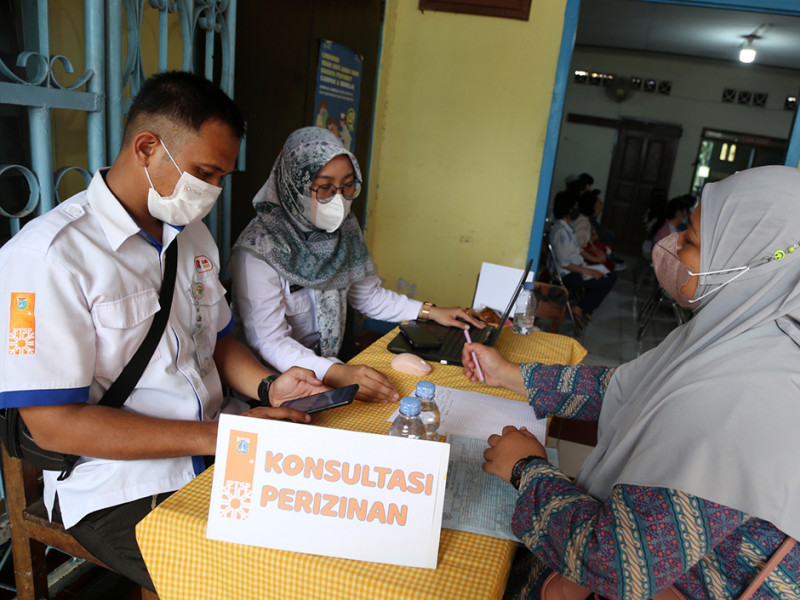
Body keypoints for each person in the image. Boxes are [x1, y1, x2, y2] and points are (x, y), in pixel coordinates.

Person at [0, 72, 328, 591]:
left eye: (221, 177)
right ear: (147, 147)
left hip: (220, 445)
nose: (213, 192)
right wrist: (226, 438)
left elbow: (216, 340)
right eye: (204, 173)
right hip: (119, 483)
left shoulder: (191, 236)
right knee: (249, 582)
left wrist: (269, 386)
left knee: (322, 536)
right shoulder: (49, 257)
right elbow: (54, 426)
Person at [464, 165, 800, 599]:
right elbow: (628, 388)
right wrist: (508, 374)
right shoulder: (740, 337)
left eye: (693, 240)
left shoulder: (746, 395)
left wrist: (527, 469)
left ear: (752, 262)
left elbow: (620, 566)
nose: (673, 244)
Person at [231, 126, 482, 404]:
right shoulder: (258, 249)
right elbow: (269, 341)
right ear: (293, 185)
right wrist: (336, 372)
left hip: (334, 366)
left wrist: (429, 311)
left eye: (348, 185)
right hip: (277, 385)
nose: (338, 199)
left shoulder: (344, 231)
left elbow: (367, 296)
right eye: (325, 187)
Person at [549, 191, 617, 327]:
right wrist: (589, 271)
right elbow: (565, 263)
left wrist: (593, 262)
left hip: (576, 267)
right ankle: (580, 308)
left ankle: (584, 307)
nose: (577, 209)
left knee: (610, 275)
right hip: (567, 274)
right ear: (567, 209)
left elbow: (577, 249)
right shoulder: (561, 231)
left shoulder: (567, 227)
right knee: (605, 281)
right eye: (574, 206)